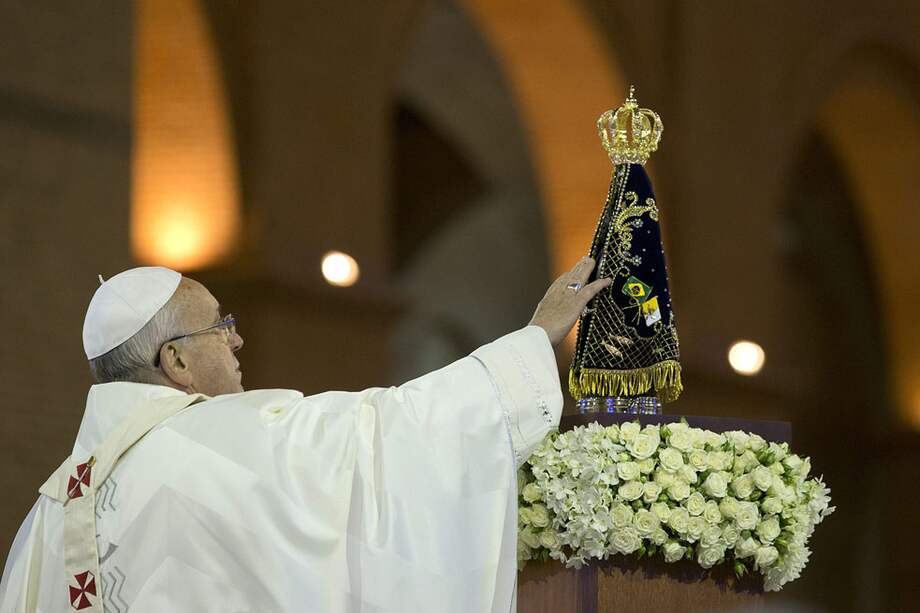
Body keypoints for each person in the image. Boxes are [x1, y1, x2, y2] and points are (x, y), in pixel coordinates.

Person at [0, 258, 610, 613]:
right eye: (220, 326)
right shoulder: (218, 442)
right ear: (176, 361)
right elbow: (382, 436)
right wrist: (532, 343)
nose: (237, 340)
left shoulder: (49, 514)